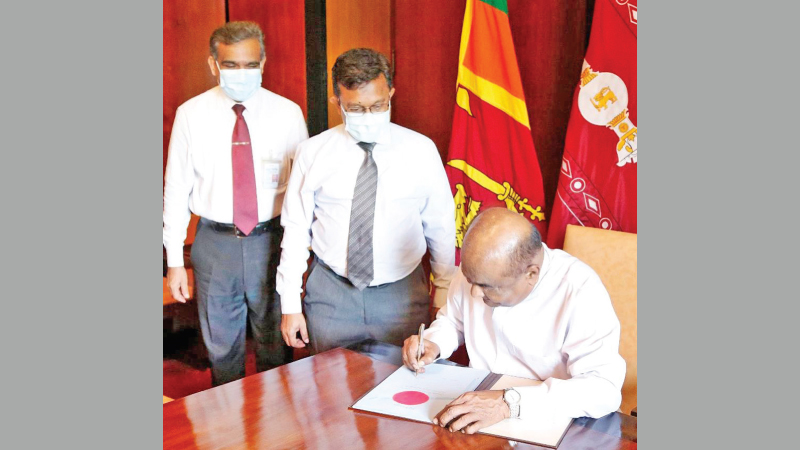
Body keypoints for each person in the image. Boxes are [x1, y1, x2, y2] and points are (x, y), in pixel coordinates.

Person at [277, 48, 457, 354]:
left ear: (391, 94)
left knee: (402, 377)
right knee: (327, 379)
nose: (369, 116)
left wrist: (443, 291)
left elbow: (440, 227)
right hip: (332, 295)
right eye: (357, 109)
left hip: (400, 296)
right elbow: (295, 230)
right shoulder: (313, 152)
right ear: (337, 103)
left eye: (378, 105)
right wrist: (290, 304)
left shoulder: (421, 150)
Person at [163, 21, 308, 386]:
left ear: (263, 63)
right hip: (216, 244)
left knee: (275, 347)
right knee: (221, 350)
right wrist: (175, 261)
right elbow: (176, 189)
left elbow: (303, 192)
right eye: (231, 65)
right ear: (213, 65)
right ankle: (224, 417)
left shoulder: (288, 113)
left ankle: (276, 419)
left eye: (250, 64)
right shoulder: (190, 114)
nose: (241, 73)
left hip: (270, 241)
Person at [402, 208, 625, 434]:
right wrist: (433, 342)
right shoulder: (478, 269)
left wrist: (508, 403)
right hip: (476, 405)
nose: (474, 293)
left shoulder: (579, 290)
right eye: (470, 281)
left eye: (486, 286)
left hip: (548, 419)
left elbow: (603, 389)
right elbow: (453, 320)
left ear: (531, 274)